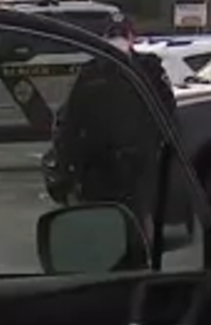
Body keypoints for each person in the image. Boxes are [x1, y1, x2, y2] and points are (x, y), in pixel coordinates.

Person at [49, 16, 177, 213]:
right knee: (106, 216)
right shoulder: (92, 72)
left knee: (140, 215)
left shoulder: (148, 68)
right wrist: (70, 164)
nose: (118, 40)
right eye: (114, 34)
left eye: (121, 34)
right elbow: (72, 122)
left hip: (139, 162)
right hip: (101, 165)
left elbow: (167, 110)